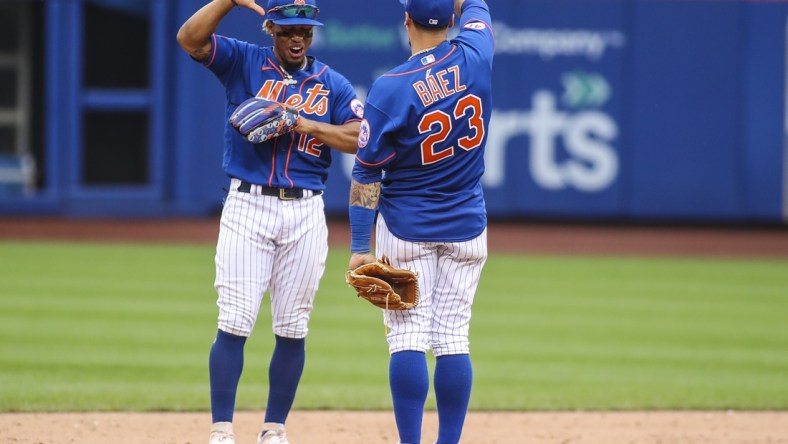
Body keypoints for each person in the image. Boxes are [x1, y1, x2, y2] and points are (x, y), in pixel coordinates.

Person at [176, 0, 363, 443]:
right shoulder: (242, 60)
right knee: (235, 321)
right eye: (286, 30)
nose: (297, 38)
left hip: (305, 210)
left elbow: (359, 138)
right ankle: (222, 430)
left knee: (293, 327)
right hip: (248, 204)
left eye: (305, 31)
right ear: (269, 28)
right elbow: (189, 39)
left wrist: (303, 123)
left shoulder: (332, 83)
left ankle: (274, 430)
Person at [347, 0, 494, 443]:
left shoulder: (391, 87)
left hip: (406, 228)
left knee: (407, 336)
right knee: (453, 338)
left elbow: (366, 173)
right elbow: (477, 7)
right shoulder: (476, 52)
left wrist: (359, 246)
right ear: (452, 20)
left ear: (405, 20)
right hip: (468, 225)